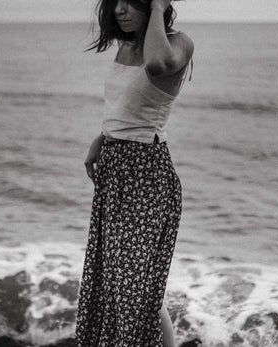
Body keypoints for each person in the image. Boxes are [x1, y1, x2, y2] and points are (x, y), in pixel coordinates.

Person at [75, 0, 193, 346]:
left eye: (131, 2)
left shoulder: (179, 42)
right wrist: (102, 139)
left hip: (146, 174)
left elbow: (159, 65)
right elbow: (127, 108)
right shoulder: (125, 46)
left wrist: (157, 7)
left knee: (134, 284)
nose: (119, 11)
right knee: (116, 280)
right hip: (115, 169)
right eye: (116, 3)